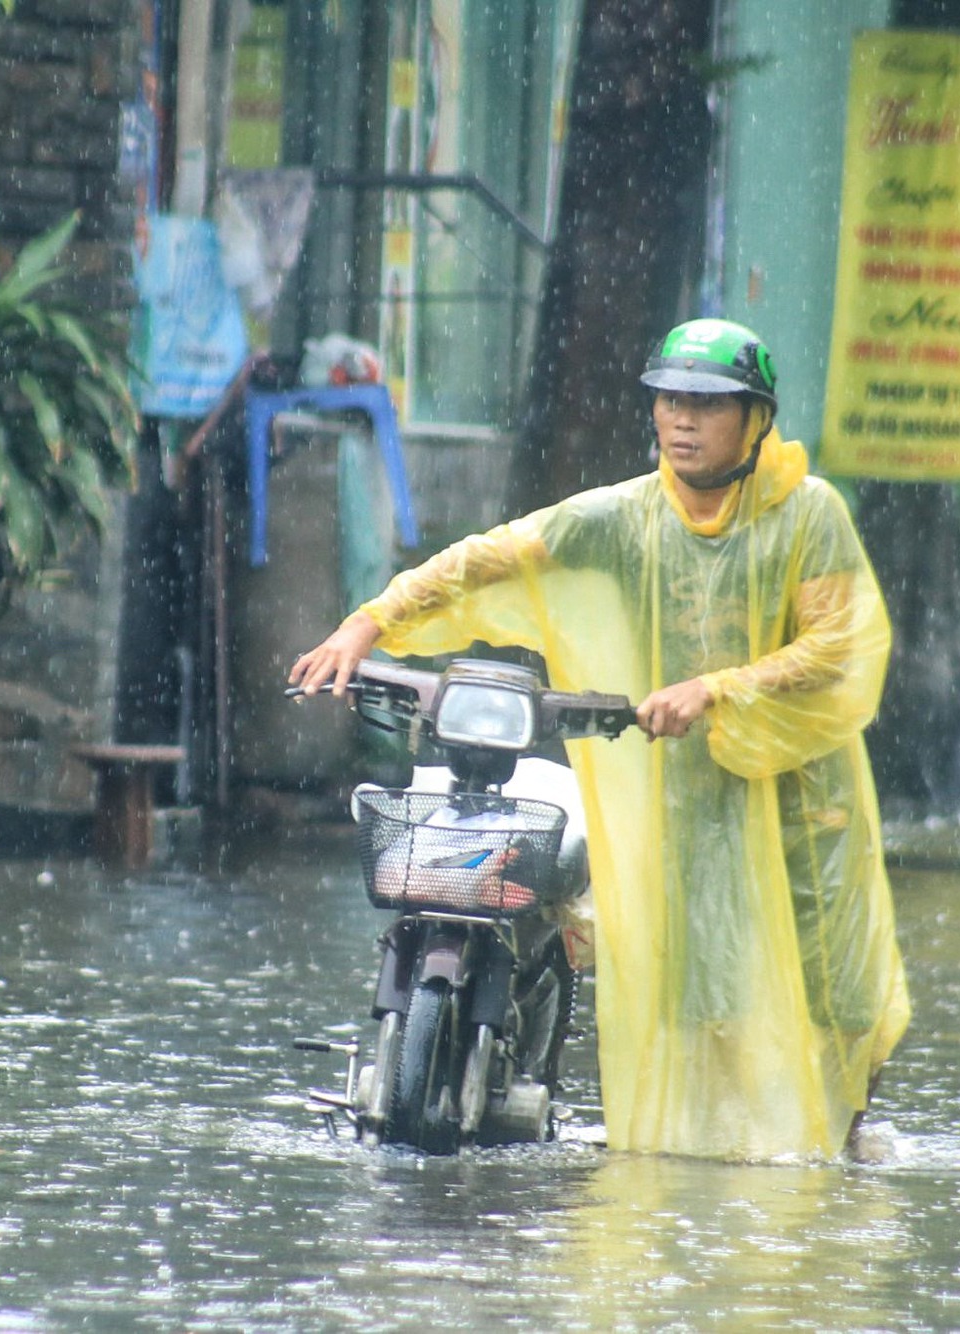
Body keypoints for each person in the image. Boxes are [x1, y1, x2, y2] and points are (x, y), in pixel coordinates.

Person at [289, 318, 910, 1161]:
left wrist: (718, 687)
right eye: (669, 401)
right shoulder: (625, 518)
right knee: (696, 986)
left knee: (835, 991)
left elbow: (840, 643)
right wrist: (372, 621)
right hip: (686, 795)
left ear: (756, 420)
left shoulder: (810, 516)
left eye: (708, 405)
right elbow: (494, 558)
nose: (683, 420)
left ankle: (835, 1156)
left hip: (805, 798)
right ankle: (698, 1167)